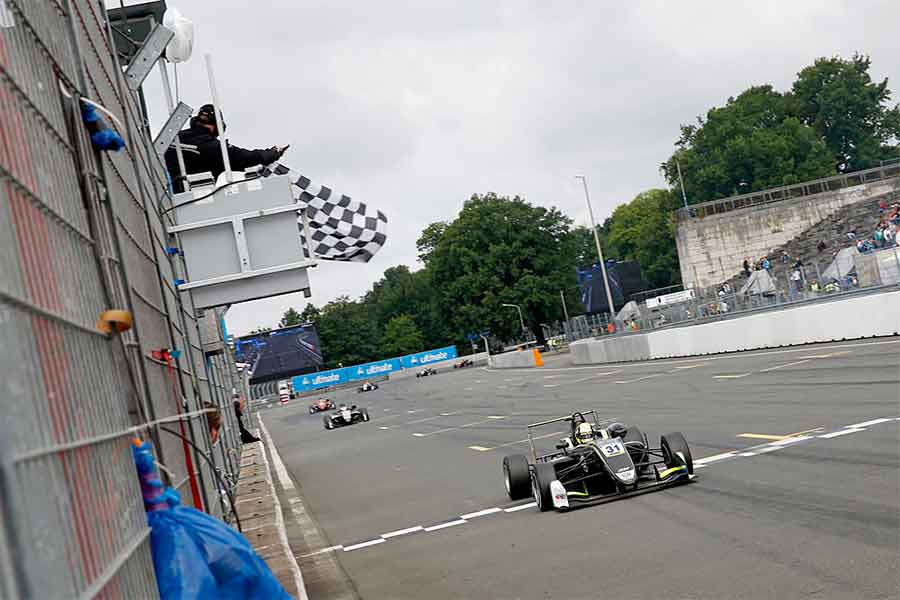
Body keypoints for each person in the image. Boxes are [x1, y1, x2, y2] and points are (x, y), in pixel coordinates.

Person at [165, 104, 288, 193]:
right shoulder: (214, 147)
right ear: (218, 127)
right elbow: (248, 158)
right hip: (188, 198)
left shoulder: (173, 138)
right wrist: (274, 152)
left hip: (166, 191)